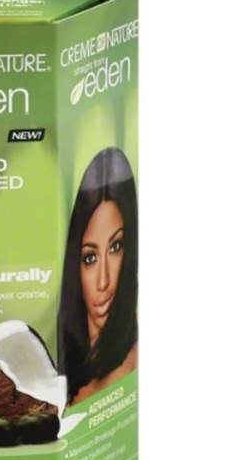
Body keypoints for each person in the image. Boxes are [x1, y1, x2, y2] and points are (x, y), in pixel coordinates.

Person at [57, 147, 138, 405]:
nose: (104, 282)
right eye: (90, 258)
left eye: (116, 247)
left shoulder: (132, 366)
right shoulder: (62, 368)